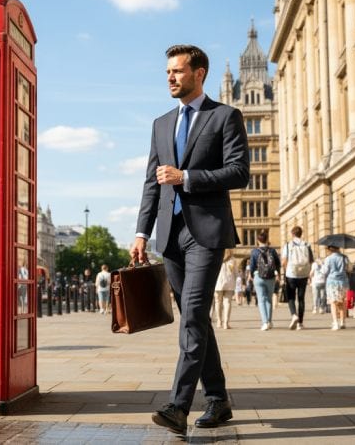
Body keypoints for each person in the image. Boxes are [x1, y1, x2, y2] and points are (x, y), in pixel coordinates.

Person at [131, 44, 249, 435]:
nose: (170, 77)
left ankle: (177, 406)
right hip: (170, 236)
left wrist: (188, 178)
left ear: (199, 74)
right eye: (167, 71)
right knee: (194, 318)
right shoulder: (161, 123)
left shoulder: (225, 117)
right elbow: (152, 182)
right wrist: (140, 232)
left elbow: (238, 172)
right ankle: (218, 399)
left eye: (178, 71)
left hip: (206, 232)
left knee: (195, 313)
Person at [281, 226, 314, 330]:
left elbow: (284, 261)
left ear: (292, 234)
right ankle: (300, 323)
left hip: (291, 273)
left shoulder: (288, 245)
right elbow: (311, 260)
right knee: (301, 298)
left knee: (291, 297)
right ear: (301, 233)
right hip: (303, 274)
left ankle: (294, 315)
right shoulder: (307, 244)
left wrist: (286, 270)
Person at [249, 230, 281, 331]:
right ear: (267, 240)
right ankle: (269, 321)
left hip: (258, 276)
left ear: (258, 241)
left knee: (261, 300)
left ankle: (264, 322)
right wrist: (278, 274)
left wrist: (251, 275)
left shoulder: (254, 251)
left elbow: (252, 266)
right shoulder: (272, 251)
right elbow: (278, 263)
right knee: (269, 299)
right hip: (271, 277)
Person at [322, 245, 350, 330]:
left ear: (330, 249)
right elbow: (349, 269)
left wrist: (321, 264)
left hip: (332, 282)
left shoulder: (328, 259)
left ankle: (335, 323)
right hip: (343, 282)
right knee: (342, 302)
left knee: (333, 302)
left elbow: (324, 271)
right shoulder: (344, 258)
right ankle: (343, 322)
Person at [213, 250, 237, 329]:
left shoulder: (216, 258)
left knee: (218, 302)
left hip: (218, 282)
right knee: (227, 302)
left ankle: (219, 321)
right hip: (229, 282)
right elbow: (236, 273)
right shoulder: (232, 259)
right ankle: (226, 323)